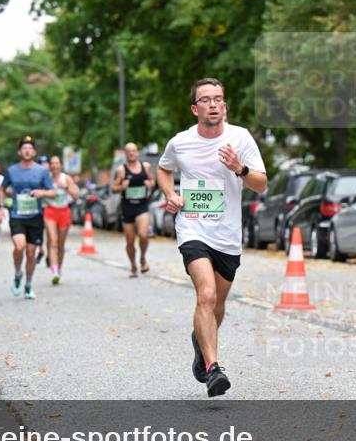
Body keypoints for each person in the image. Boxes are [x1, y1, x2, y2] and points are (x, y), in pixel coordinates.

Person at [157, 78, 267, 397]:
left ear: (225, 106)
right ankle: (213, 368)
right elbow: (163, 169)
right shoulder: (180, 142)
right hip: (192, 228)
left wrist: (240, 168)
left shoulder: (240, 138)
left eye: (219, 99)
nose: (214, 104)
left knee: (217, 302)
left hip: (228, 235)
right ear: (195, 109)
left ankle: (200, 343)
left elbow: (261, 184)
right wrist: (170, 193)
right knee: (205, 295)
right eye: (206, 100)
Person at [2, 136, 56, 299]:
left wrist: (43, 192)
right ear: (19, 152)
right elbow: (2, 189)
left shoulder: (42, 171)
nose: (27, 151)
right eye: (24, 148)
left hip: (35, 217)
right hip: (17, 215)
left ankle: (28, 285)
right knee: (19, 247)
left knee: (31, 253)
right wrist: (0, 206)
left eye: (30, 149)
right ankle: (18, 272)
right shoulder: (11, 171)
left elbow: (52, 192)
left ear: (34, 152)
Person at [113, 142, 155, 277]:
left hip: (142, 206)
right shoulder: (121, 170)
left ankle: (143, 258)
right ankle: (133, 265)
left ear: (137, 152)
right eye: (128, 151)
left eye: (134, 151)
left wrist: (150, 184)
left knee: (143, 235)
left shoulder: (146, 167)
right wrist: (121, 187)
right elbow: (114, 188)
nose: (131, 153)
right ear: (125, 154)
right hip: (127, 207)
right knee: (130, 240)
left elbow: (152, 181)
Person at [43, 155, 80, 284]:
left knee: (60, 244)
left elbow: (76, 196)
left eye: (57, 163)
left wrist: (65, 188)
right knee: (52, 241)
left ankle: (59, 267)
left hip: (64, 212)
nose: (54, 166)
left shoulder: (66, 178)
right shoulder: (46, 177)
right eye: (52, 163)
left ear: (61, 166)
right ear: (50, 166)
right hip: (50, 211)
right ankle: (54, 271)